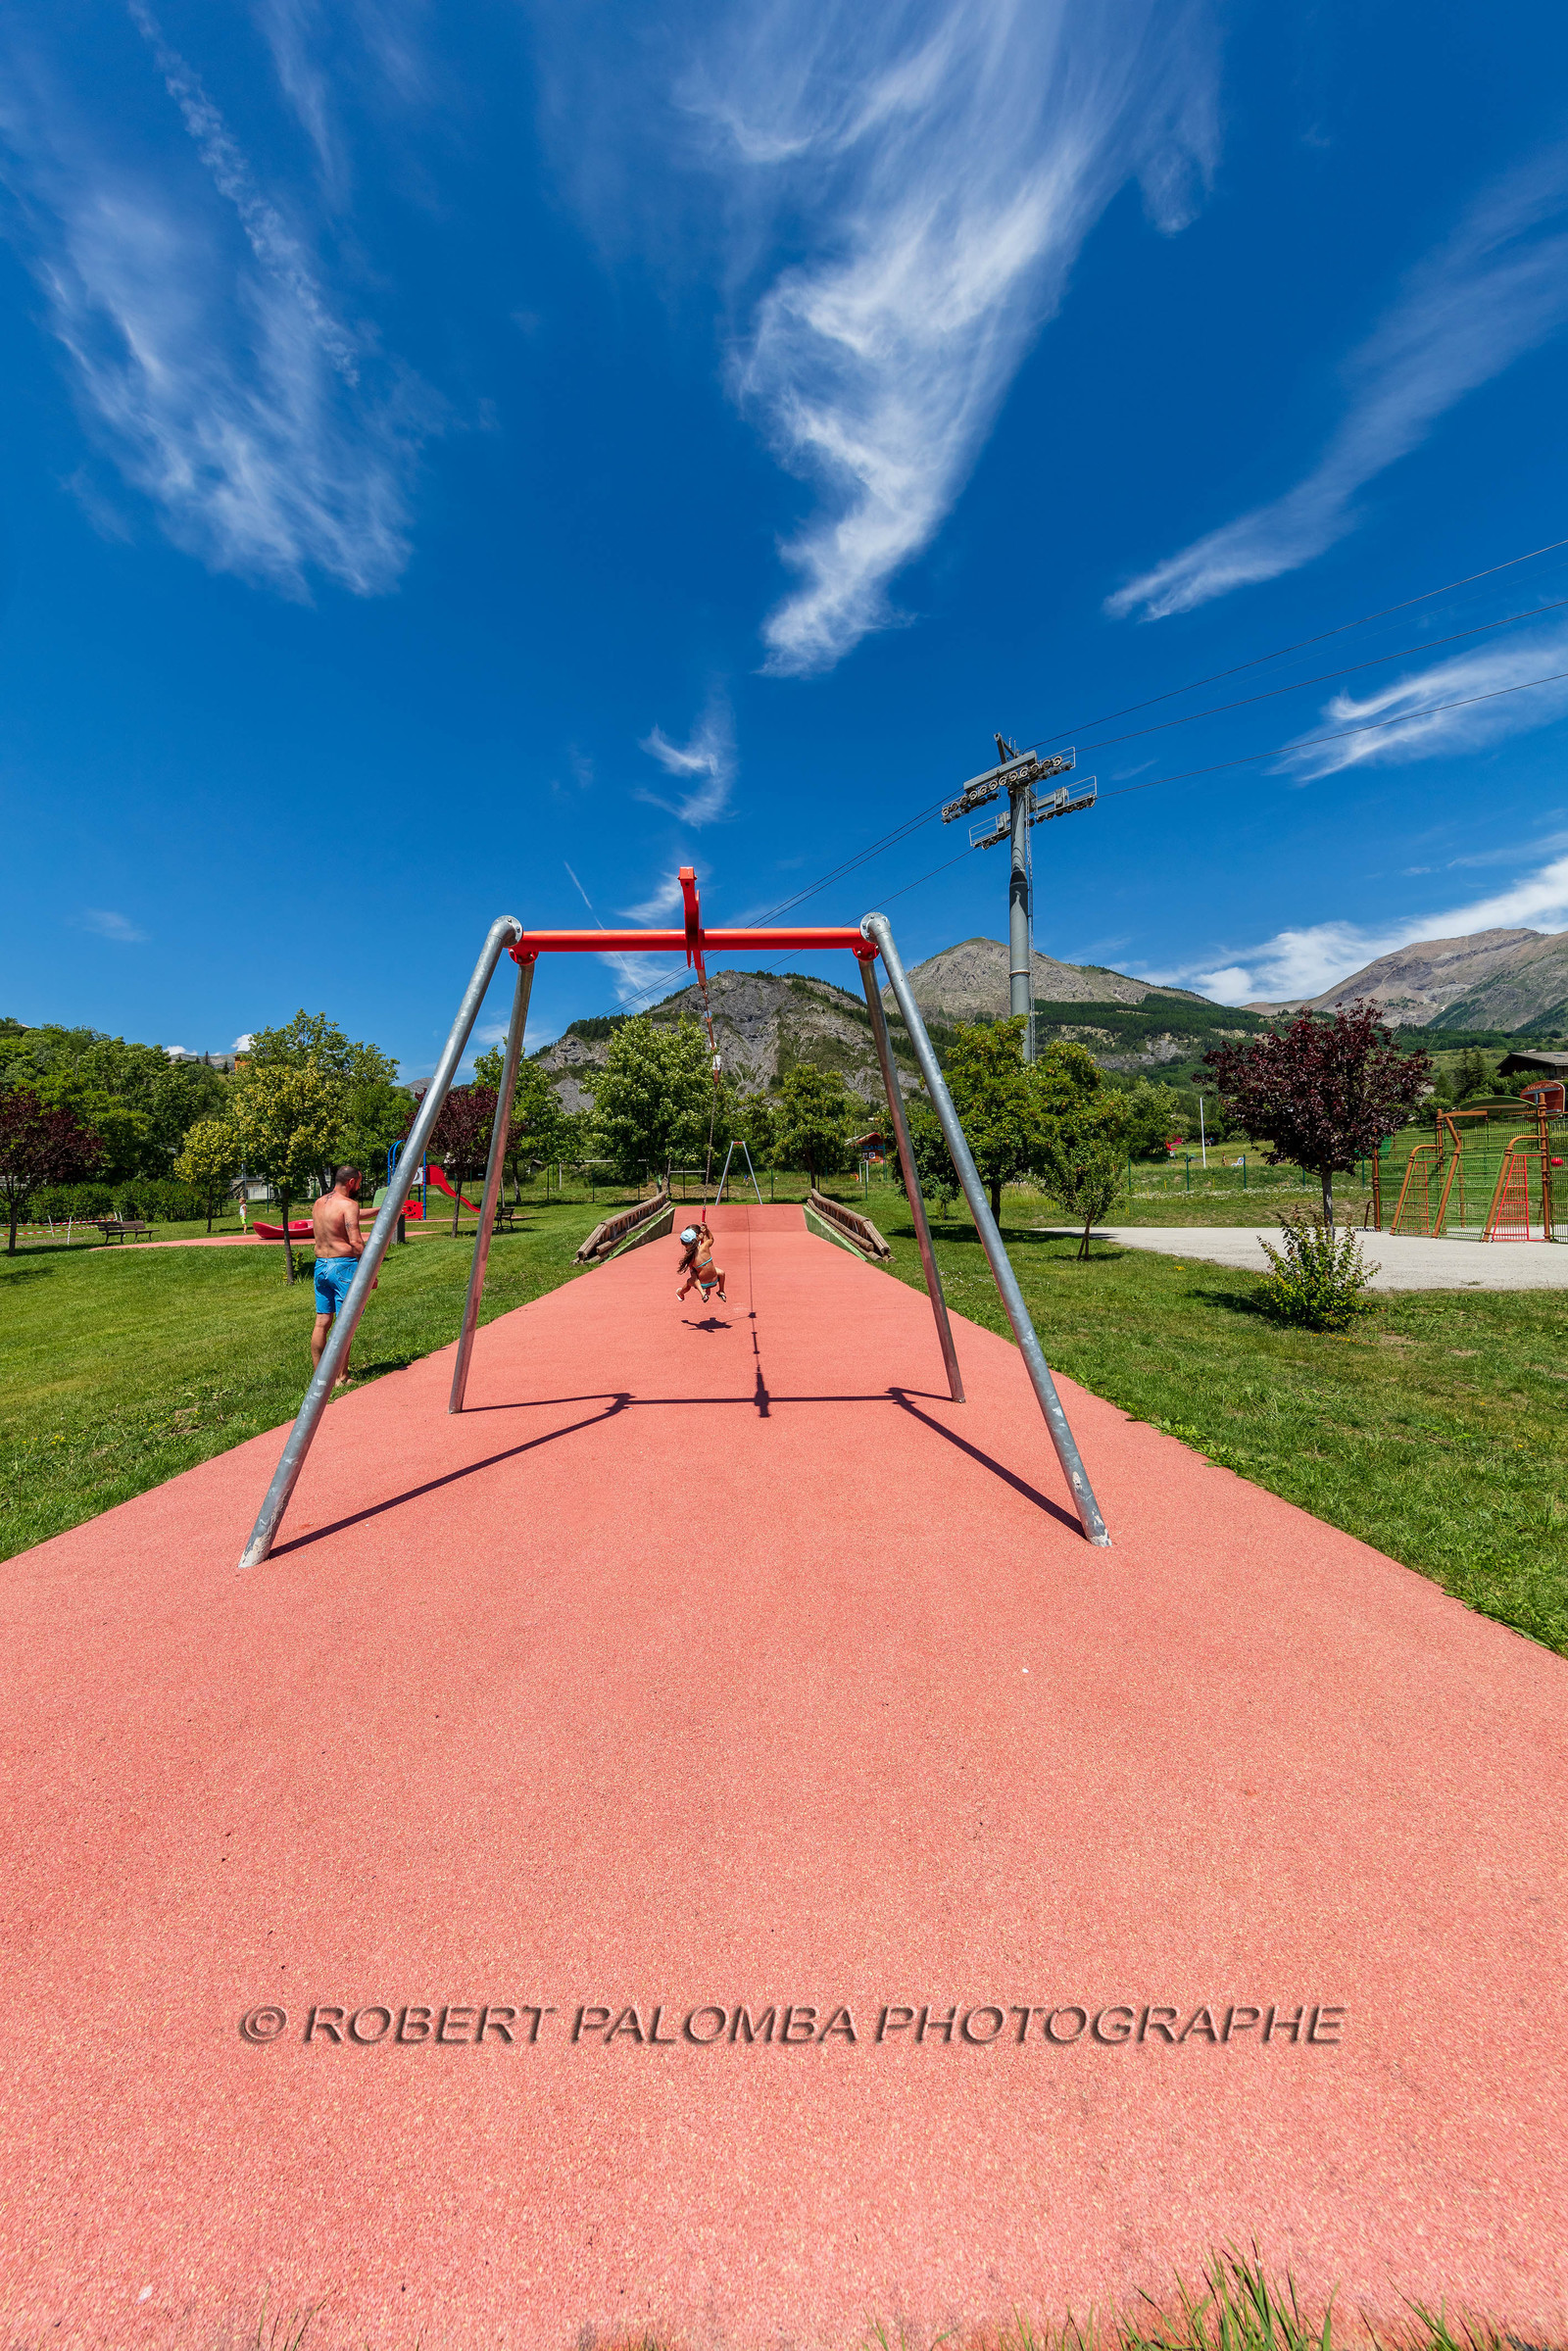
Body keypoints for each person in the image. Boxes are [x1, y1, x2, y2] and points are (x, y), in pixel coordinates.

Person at [310, 1164, 376, 1382]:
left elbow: (347, 1216)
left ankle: (320, 1376)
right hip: (344, 1267)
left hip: (321, 1266)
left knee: (322, 1322)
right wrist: (370, 1273)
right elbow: (356, 1241)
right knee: (345, 1322)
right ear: (351, 1182)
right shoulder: (349, 1204)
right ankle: (342, 1377)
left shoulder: (319, 1203)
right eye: (359, 1182)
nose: (359, 1186)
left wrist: (381, 1210)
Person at [675, 1216, 725, 1305]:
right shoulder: (704, 1246)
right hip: (714, 1280)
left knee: (691, 1279)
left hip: (703, 1283)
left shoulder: (689, 1257)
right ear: (697, 1237)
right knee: (721, 1272)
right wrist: (706, 1230)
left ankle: (684, 1292)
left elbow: (694, 1273)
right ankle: (721, 1291)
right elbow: (711, 1239)